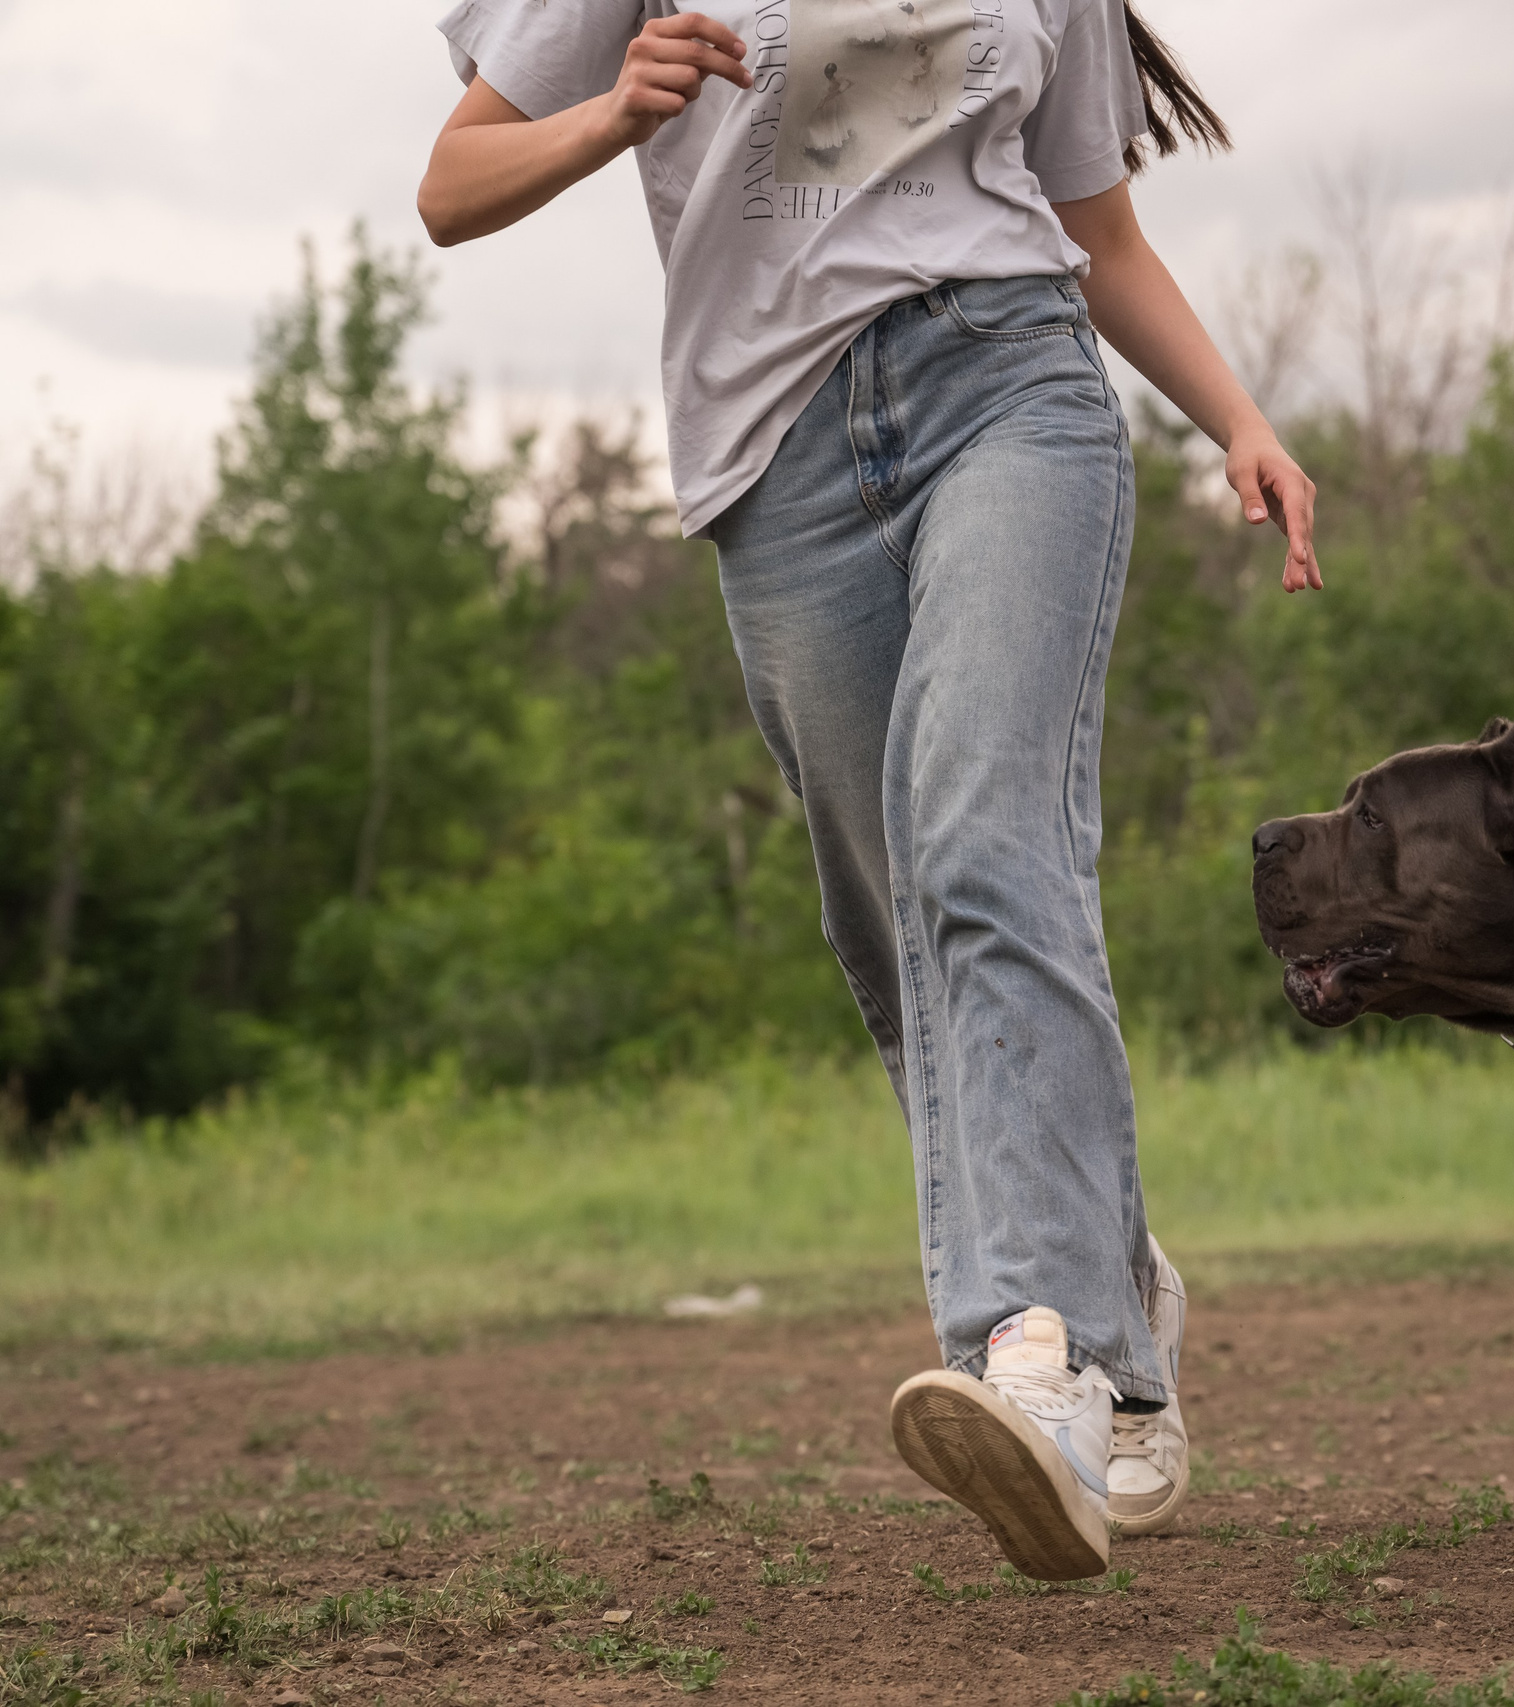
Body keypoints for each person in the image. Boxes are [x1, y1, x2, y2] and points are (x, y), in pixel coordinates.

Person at [417, 0, 1318, 1581]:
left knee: (986, 843)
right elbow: (455, 183)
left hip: (1011, 388)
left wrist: (1237, 420)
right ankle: (1108, 1275)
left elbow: (1093, 224)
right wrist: (615, 115)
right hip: (778, 465)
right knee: (893, 930)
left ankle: (1034, 1359)